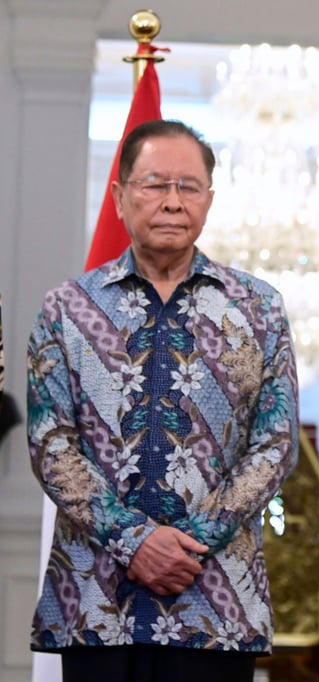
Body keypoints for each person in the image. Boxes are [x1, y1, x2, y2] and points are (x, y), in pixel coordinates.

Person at [26, 119, 299, 682]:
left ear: (209, 199)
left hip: (216, 602)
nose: (172, 202)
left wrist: (190, 543)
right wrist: (135, 540)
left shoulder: (258, 308)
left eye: (188, 186)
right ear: (120, 196)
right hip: (95, 602)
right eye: (154, 184)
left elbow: (276, 446)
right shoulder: (66, 310)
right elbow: (50, 444)